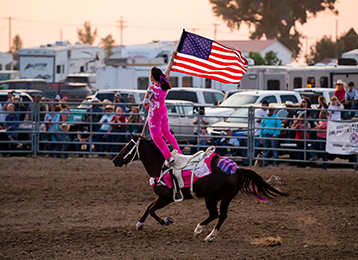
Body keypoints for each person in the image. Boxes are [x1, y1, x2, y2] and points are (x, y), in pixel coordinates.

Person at [143, 51, 182, 168]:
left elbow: (145, 103)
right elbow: (168, 69)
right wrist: (172, 57)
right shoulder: (164, 83)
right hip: (163, 110)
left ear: (151, 77)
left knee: (156, 136)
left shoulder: (151, 89)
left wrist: (149, 107)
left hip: (154, 113)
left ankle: (168, 156)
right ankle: (178, 152)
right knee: (167, 133)